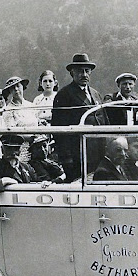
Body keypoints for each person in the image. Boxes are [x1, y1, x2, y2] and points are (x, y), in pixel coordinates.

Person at [51, 53, 108, 181]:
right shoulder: (64, 95)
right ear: (72, 73)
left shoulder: (96, 94)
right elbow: (59, 130)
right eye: (80, 71)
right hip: (77, 155)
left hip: (98, 155)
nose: (84, 74)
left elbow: (105, 123)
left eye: (87, 71)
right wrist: (67, 158)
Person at [0, 134, 40, 198]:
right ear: (2, 150)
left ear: (20, 150)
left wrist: (43, 184)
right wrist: (4, 181)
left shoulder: (26, 167)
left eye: (16, 149)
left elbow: (37, 181)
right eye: (9, 149)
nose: (13, 153)